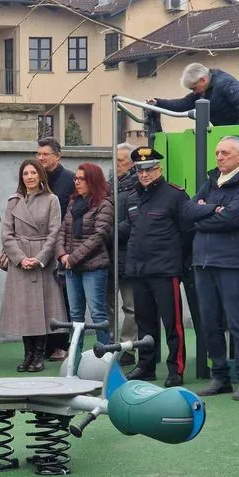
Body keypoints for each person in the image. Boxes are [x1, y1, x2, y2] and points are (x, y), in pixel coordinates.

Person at [183, 136, 239, 400]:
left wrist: (205, 214)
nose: (219, 157)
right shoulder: (211, 181)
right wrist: (211, 211)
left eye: (225, 153)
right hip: (202, 262)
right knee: (209, 322)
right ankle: (220, 377)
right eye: (217, 152)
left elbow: (231, 218)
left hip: (231, 262)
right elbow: (187, 211)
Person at [122, 147, 190, 387]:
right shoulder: (132, 197)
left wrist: (179, 265)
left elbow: (187, 232)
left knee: (173, 323)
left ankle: (176, 369)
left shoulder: (175, 195)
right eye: (140, 170)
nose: (144, 174)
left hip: (165, 270)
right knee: (145, 324)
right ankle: (146, 366)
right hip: (139, 270)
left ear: (159, 169)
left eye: (149, 169)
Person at [0, 159, 66, 373]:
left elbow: (55, 232)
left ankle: (39, 355)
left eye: (33, 173)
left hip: (41, 262)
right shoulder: (13, 201)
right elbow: (7, 234)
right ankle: (28, 354)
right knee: (24, 310)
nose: (29, 177)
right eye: (25, 173)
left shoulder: (51, 200)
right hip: (19, 261)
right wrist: (20, 258)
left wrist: (39, 258)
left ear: (40, 176)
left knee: (41, 309)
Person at [57, 163, 114, 345]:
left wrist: (72, 258)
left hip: (94, 267)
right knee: (75, 315)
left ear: (93, 180)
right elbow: (62, 232)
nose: (77, 182)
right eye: (76, 178)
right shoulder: (73, 203)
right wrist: (61, 255)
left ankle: (105, 356)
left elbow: (99, 235)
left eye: (82, 179)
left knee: (97, 313)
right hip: (71, 268)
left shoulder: (104, 204)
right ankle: (75, 358)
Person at [37, 137, 75, 362]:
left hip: (62, 247)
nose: (41, 158)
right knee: (41, 297)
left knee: (62, 298)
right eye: (38, 154)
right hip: (38, 247)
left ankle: (61, 344)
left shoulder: (70, 180)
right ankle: (42, 344)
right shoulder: (34, 179)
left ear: (58, 156)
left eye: (45, 154)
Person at [149, 63, 239, 126]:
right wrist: (158, 102)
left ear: (203, 79)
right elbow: (183, 104)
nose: (194, 92)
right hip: (229, 131)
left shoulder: (224, 83)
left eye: (194, 88)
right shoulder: (203, 90)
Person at [108, 143, 139, 366]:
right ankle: (108, 344)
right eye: (114, 160)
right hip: (106, 254)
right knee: (106, 305)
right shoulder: (107, 186)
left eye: (120, 161)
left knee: (130, 306)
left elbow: (131, 223)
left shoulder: (137, 187)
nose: (115, 165)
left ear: (132, 163)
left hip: (127, 254)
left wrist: (105, 234)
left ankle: (127, 347)